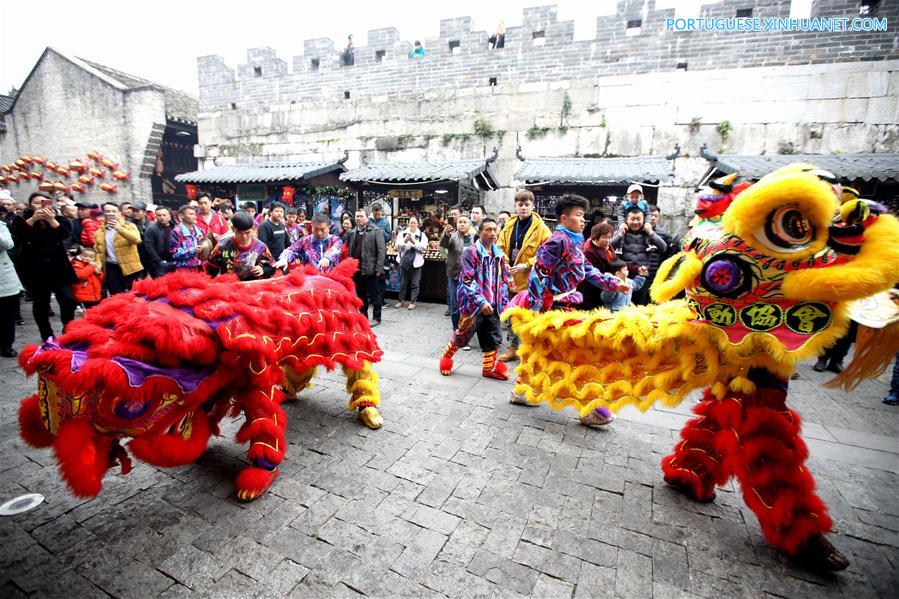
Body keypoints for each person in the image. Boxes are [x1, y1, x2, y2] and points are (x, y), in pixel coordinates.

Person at [511, 194, 630, 427]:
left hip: (569, 306)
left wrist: (614, 283)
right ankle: (589, 407)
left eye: (583, 216)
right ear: (564, 219)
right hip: (554, 309)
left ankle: (521, 391)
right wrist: (535, 308)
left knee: (547, 353)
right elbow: (539, 272)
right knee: (577, 355)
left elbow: (587, 269)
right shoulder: (557, 241)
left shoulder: (574, 241)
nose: (583, 220)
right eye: (579, 215)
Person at [439, 218, 511, 380]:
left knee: (493, 337)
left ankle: (488, 368)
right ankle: (445, 358)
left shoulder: (499, 253)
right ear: (479, 233)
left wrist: (504, 302)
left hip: (493, 305)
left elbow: (503, 280)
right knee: (463, 334)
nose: (493, 233)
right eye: (488, 230)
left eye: (495, 229)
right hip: (473, 305)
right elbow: (467, 280)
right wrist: (481, 301)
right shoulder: (470, 252)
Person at [11, 192, 78, 341]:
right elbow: (18, 233)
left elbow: (64, 234)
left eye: (43, 202)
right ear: (30, 205)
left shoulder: (58, 218)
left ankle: (69, 330)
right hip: (35, 266)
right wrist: (34, 219)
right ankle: (46, 334)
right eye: (36, 203)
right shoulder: (22, 219)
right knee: (41, 302)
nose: (40, 205)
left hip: (58, 265)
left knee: (67, 299)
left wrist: (51, 219)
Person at [497, 189, 551, 362]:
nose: (523, 208)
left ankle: (528, 349)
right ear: (515, 206)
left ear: (532, 206)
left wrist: (527, 264)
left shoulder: (541, 228)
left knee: (529, 316)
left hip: (530, 281)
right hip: (511, 278)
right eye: (520, 205)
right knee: (513, 314)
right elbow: (499, 247)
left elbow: (548, 251)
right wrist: (504, 261)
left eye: (527, 205)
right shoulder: (509, 225)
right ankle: (513, 348)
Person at [611, 205, 668, 305]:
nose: (636, 222)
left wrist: (651, 232)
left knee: (640, 304)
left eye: (638, 219)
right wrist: (620, 235)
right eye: (632, 219)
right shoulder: (620, 232)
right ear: (626, 219)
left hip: (642, 276)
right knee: (622, 304)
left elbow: (663, 248)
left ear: (644, 220)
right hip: (624, 275)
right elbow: (609, 248)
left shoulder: (648, 233)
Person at [207, 212, 275, 280]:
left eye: (247, 232)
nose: (244, 237)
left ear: (253, 229)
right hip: (229, 286)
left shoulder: (261, 246)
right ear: (233, 229)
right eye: (239, 233)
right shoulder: (222, 246)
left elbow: (272, 265)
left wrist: (263, 269)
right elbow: (211, 268)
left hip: (252, 286)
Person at [347, 208, 386, 326]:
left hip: (371, 269)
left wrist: (379, 268)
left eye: (361, 216)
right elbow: (350, 251)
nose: (359, 219)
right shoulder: (353, 232)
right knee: (361, 295)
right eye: (357, 216)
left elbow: (381, 250)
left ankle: (377, 317)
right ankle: (363, 317)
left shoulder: (376, 230)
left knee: (375, 295)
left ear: (367, 217)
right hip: (357, 269)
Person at [95, 202, 144, 295]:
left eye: (113, 211)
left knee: (136, 295)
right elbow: (98, 251)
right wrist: (98, 264)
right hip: (111, 268)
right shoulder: (99, 231)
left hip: (131, 267)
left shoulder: (129, 226)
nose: (110, 214)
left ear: (119, 213)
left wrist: (120, 229)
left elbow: (137, 240)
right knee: (117, 296)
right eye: (107, 211)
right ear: (104, 214)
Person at [440, 214, 475, 331]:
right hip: (455, 275)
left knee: (469, 304)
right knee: (455, 305)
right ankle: (457, 329)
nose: (462, 224)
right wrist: (446, 234)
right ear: (456, 224)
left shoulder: (473, 238)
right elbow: (444, 244)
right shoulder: (452, 237)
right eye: (460, 222)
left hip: (470, 277)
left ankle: (467, 328)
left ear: (469, 225)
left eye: (465, 222)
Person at [274, 212, 343, 273]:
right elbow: (291, 250)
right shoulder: (305, 241)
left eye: (322, 229)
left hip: (331, 279)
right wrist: (284, 259)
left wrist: (327, 258)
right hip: (310, 280)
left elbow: (336, 249)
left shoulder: (335, 240)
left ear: (328, 228)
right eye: (316, 229)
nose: (319, 233)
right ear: (312, 227)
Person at [0, 204, 23, 357]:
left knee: (7, 316)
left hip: (3, 278)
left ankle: (6, 345)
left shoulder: (1, 227)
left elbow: (7, 244)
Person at [577, 222, 616, 310]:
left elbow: (616, 263)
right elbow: (594, 274)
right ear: (596, 237)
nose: (607, 240)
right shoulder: (589, 252)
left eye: (609, 237)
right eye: (604, 237)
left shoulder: (608, 247)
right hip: (590, 291)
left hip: (604, 287)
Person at [394, 215, 427, 309]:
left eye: (414, 222)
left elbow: (423, 248)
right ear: (408, 223)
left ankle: (413, 301)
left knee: (415, 283)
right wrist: (405, 240)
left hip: (416, 262)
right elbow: (397, 247)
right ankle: (401, 300)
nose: (412, 224)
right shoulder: (402, 234)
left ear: (418, 224)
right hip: (404, 262)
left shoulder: (422, 235)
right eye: (411, 222)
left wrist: (413, 241)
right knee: (402, 282)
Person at [169, 204, 206, 271]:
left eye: (194, 214)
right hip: (183, 269)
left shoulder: (200, 231)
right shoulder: (177, 232)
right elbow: (174, 254)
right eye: (191, 214)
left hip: (200, 268)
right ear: (181, 216)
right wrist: (192, 250)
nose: (194, 216)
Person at [143, 207, 175, 277]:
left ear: (169, 216)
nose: (162, 217)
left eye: (164, 215)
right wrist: (159, 261)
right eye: (159, 215)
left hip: (174, 260)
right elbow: (149, 247)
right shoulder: (151, 228)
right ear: (155, 216)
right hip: (159, 262)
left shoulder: (175, 227)